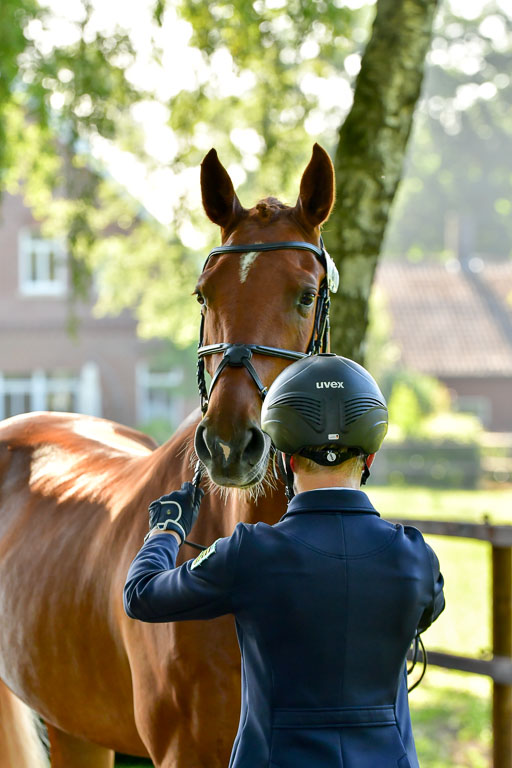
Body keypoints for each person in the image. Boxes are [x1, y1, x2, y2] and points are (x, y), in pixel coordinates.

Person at [124, 353, 445, 768]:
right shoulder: (415, 556)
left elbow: (141, 595)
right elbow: (426, 612)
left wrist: (167, 530)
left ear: (285, 457)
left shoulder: (250, 554)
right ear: (368, 460)